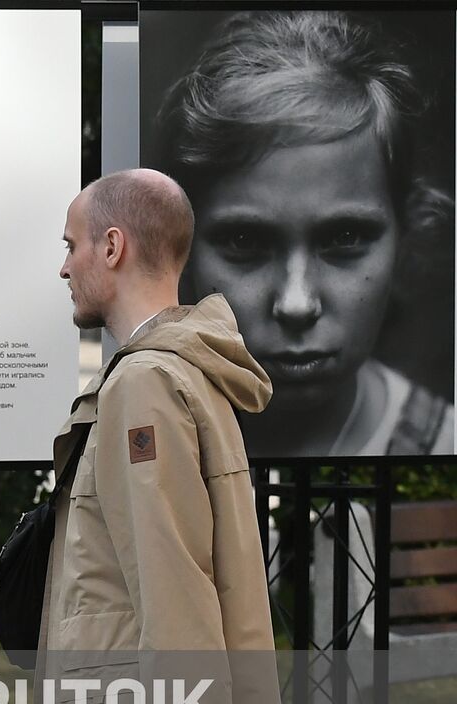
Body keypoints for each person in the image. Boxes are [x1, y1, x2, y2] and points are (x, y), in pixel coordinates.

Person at [41, 169, 290, 704]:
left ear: (112, 246)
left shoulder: (147, 383)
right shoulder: (183, 371)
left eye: (72, 245)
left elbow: (172, 574)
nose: (65, 266)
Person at [152, 10, 454, 457]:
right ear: (183, 249)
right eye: (244, 242)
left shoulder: (444, 444)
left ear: (405, 235)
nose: (296, 304)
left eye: (345, 237)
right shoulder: (144, 442)